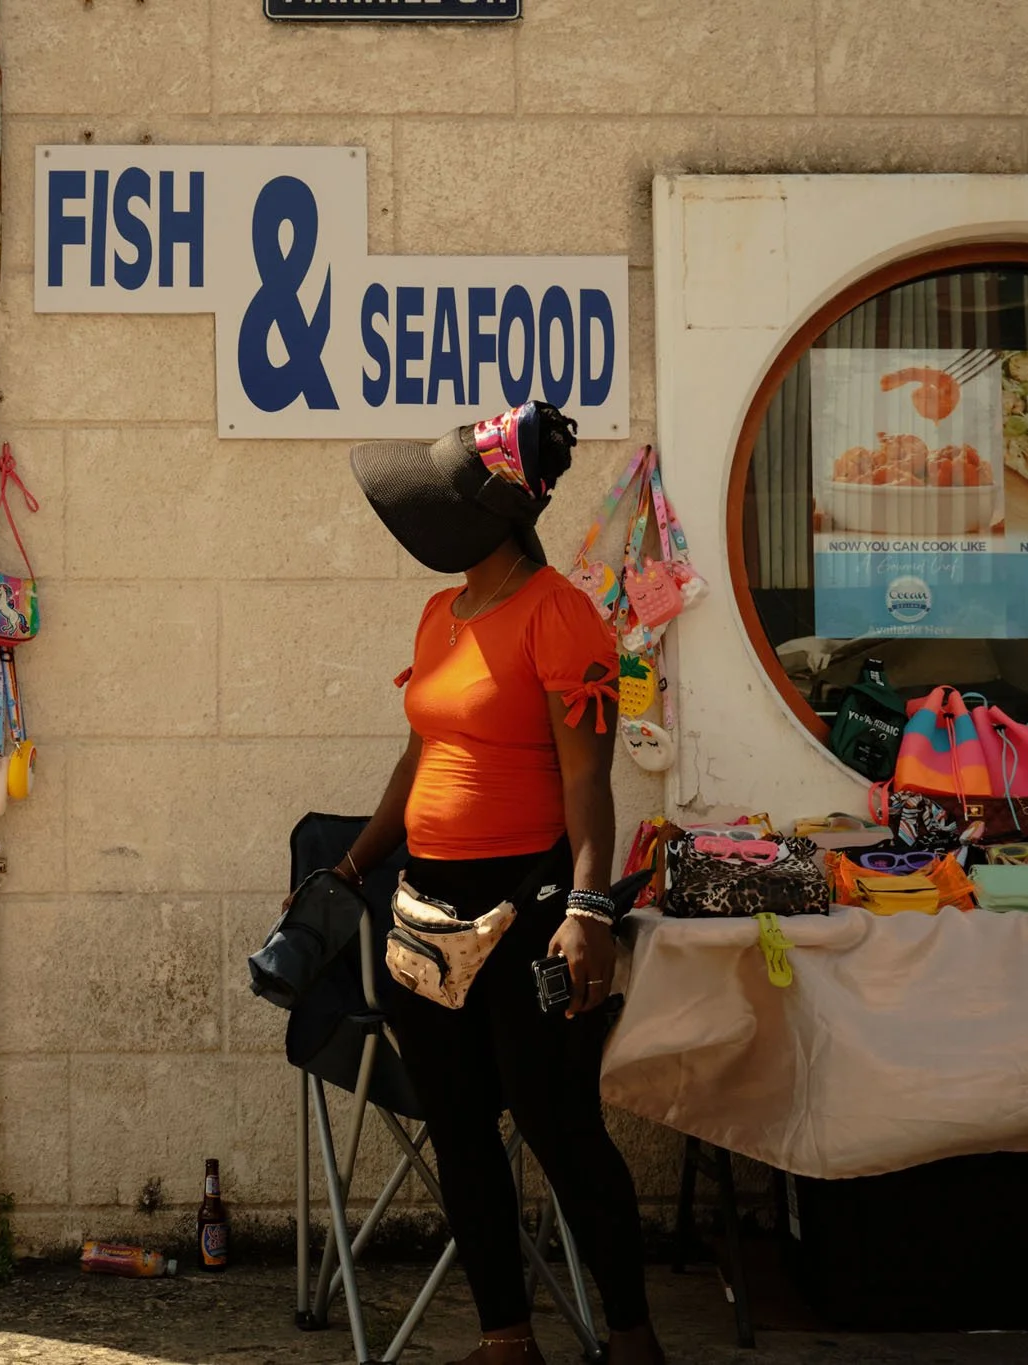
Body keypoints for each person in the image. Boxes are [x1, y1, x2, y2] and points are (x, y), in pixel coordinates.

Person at [334, 406, 664, 1365]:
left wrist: (591, 912)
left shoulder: (561, 614)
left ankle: (635, 1339)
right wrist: (352, 864)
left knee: (562, 1133)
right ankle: (506, 1338)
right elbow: (417, 760)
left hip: (531, 913)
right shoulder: (442, 615)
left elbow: (587, 781)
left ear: (488, 512)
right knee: (460, 1131)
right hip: (425, 916)